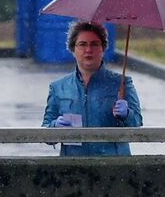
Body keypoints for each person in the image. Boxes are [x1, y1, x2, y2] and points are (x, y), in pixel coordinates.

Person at [42, 21, 141, 156]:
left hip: (115, 168)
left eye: (94, 44)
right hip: (72, 168)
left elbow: (137, 124)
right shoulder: (58, 87)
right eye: (82, 44)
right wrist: (55, 127)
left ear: (103, 49)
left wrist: (127, 114)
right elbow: (45, 133)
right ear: (73, 49)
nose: (88, 50)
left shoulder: (122, 83)